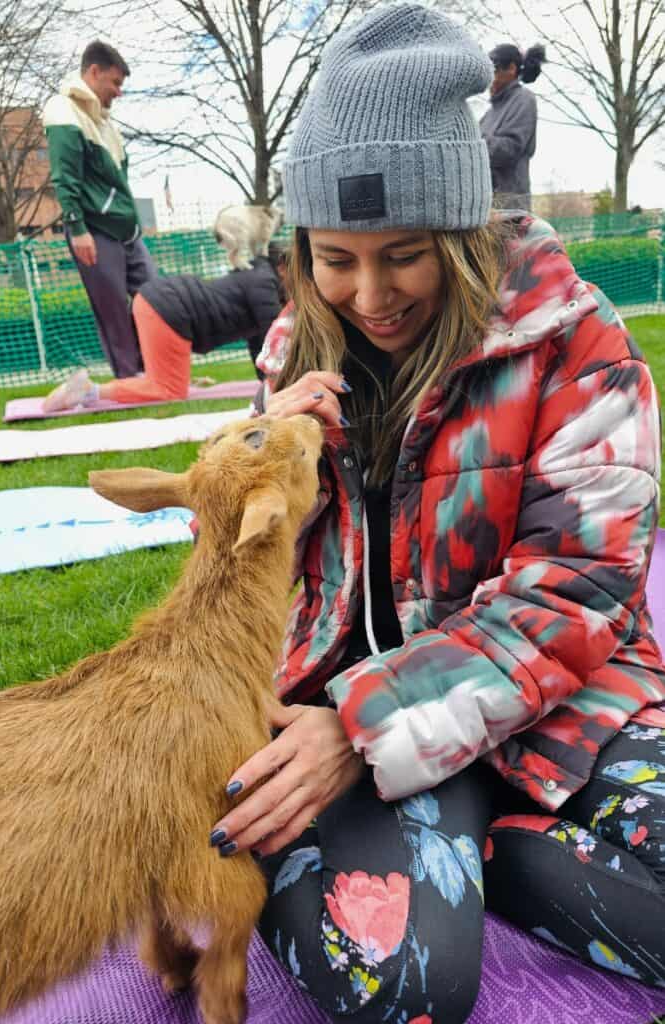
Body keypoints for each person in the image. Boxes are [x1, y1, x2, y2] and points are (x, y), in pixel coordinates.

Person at [204, 6, 665, 1024]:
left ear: (461, 232)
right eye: (334, 257)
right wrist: (257, 468)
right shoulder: (289, 353)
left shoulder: (580, 346)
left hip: (547, 704)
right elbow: (229, 576)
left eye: (402, 253)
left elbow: (575, 594)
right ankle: (474, 846)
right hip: (325, 712)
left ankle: (490, 841)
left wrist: (365, 729)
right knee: (395, 980)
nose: (367, 293)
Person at [41, 244, 286, 412]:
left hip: (160, 303)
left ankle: (89, 390)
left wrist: (268, 383)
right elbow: (274, 335)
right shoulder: (264, 282)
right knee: (168, 389)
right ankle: (88, 391)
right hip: (168, 307)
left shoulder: (259, 277)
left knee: (165, 382)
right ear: (283, 267)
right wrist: (287, 383)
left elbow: (261, 343)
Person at [43, 40, 156, 379]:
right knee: (113, 312)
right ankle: (130, 378)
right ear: (94, 72)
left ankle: (158, 369)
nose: (118, 92)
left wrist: (134, 225)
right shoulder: (64, 110)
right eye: (115, 83)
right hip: (93, 230)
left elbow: (118, 183)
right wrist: (77, 229)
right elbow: (65, 177)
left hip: (126, 230)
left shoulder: (106, 123)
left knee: (154, 296)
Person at [479, 43, 546, 210]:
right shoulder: (488, 114)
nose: (489, 79)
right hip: (486, 207)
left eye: (494, 71)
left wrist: (474, 144)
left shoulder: (524, 99)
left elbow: (510, 149)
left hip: (510, 208)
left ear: (511, 68)